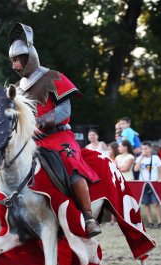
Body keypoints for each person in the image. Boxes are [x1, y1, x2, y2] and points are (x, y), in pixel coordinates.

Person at [8, 22, 101, 237]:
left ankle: (88, 217)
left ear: (29, 57)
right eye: (12, 61)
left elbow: (64, 111)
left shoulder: (53, 77)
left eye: (16, 60)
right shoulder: (17, 88)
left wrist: (41, 121)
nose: (14, 66)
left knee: (71, 162)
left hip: (58, 135)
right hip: (33, 139)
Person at [134, 142, 161, 228]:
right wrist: (141, 157)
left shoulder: (155, 158)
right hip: (143, 184)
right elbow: (136, 169)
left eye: (146, 149)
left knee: (155, 203)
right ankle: (150, 222)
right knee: (146, 203)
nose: (144, 151)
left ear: (150, 149)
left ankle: (159, 222)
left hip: (153, 183)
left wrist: (160, 177)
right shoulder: (139, 158)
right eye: (142, 149)